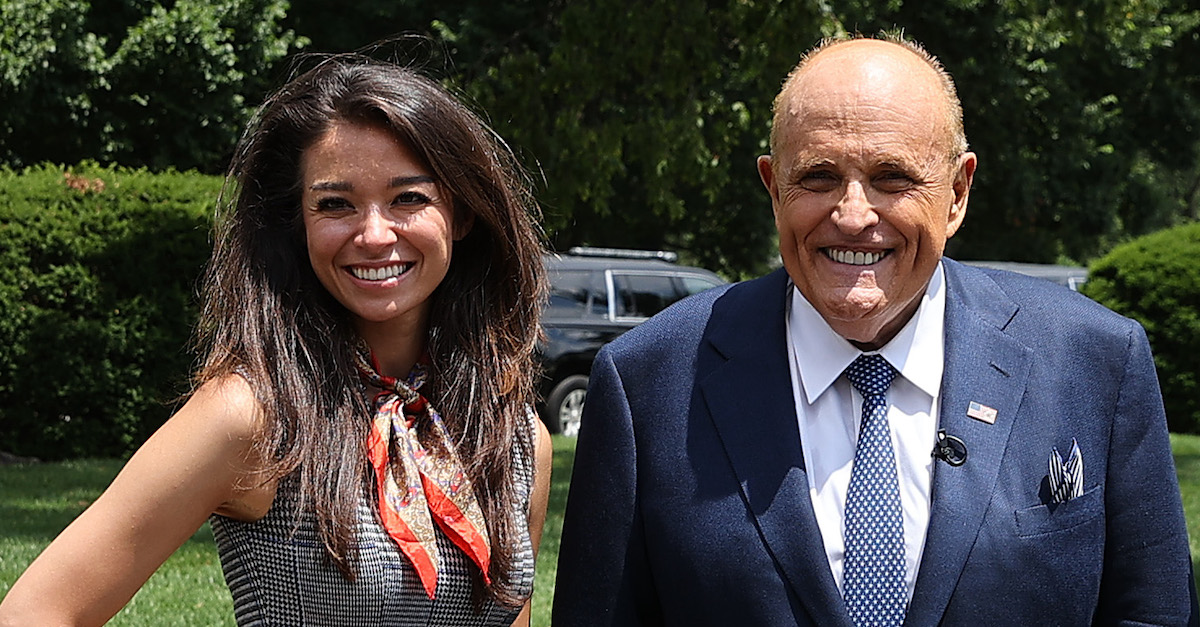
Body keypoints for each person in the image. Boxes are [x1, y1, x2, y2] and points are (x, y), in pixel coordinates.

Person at [553, 34, 1196, 626]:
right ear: (773, 187)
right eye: (819, 177)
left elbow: (1152, 612)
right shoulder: (649, 383)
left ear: (957, 193)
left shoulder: (1096, 363)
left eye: (892, 179)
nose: (854, 216)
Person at [0, 55, 551, 626]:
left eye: (408, 198)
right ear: (298, 224)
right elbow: (37, 611)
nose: (374, 233)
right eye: (335, 204)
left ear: (461, 215)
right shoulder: (254, 415)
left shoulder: (516, 439)